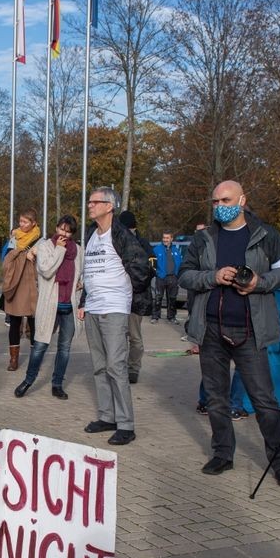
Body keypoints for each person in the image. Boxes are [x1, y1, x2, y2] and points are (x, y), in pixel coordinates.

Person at [179, 181, 280, 486]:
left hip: (251, 331)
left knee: (264, 402)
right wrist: (212, 277)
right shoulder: (204, 237)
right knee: (216, 400)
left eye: (226, 200)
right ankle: (222, 454)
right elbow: (185, 275)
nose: (220, 205)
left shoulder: (266, 234)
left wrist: (260, 282)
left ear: (242, 200)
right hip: (212, 331)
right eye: (216, 201)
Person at [77, 187, 152, 446]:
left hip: (115, 308)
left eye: (95, 201)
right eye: (89, 201)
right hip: (94, 309)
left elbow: (141, 268)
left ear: (109, 206)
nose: (90, 205)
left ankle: (126, 424)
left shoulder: (120, 235)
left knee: (116, 366)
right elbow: (89, 272)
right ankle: (107, 416)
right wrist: (85, 301)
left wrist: (130, 297)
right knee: (99, 366)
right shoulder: (91, 234)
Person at [14, 215, 81, 400]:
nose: (64, 234)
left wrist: (81, 282)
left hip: (69, 305)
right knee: (40, 345)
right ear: (56, 227)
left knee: (64, 348)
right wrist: (59, 250)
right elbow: (46, 270)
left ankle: (57, 384)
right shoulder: (44, 247)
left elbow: (81, 272)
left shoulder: (78, 250)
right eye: (61, 229)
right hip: (50, 304)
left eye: (68, 231)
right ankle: (28, 380)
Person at [117, 210, 154, 384]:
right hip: (117, 298)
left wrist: (133, 283)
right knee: (117, 336)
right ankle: (118, 367)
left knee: (135, 337)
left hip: (136, 298)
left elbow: (150, 271)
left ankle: (133, 368)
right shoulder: (116, 241)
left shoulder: (144, 244)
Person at [1, 208, 40, 371]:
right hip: (16, 284)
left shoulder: (40, 240)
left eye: (25, 222)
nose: (21, 225)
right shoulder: (14, 239)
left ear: (33, 224)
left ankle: (35, 360)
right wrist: (24, 254)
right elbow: (6, 261)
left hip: (32, 284)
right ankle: (14, 359)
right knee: (15, 323)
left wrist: (36, 254)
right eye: (20, 221)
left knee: (34, 324)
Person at [151, 231, 181, 324]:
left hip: (173, 278)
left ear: (171, 239)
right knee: (158, 298)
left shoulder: (176, 250)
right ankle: (155, 316)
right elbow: (152, 263)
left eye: (167, 238)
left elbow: (179, 262)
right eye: (164, 238)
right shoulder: (157, 249)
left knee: (172, 298)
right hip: (161, 277)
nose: (165, 240)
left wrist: (177, 274)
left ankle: (171, 316)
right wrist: (157, 273)